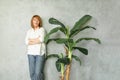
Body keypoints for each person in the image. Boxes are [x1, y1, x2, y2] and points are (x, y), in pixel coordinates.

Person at [25, 15, 46, 80]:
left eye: (37, 20)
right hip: (30, 54)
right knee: (32, 73)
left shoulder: (42, 29)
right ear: (32, 21)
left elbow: (41, 39)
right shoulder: (29, 31)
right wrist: (37, 39)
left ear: (39, 22)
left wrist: (31, 40)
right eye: (34, 20)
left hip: (40, 54)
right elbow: (26, 42)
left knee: (38, 73)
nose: (36, 21)